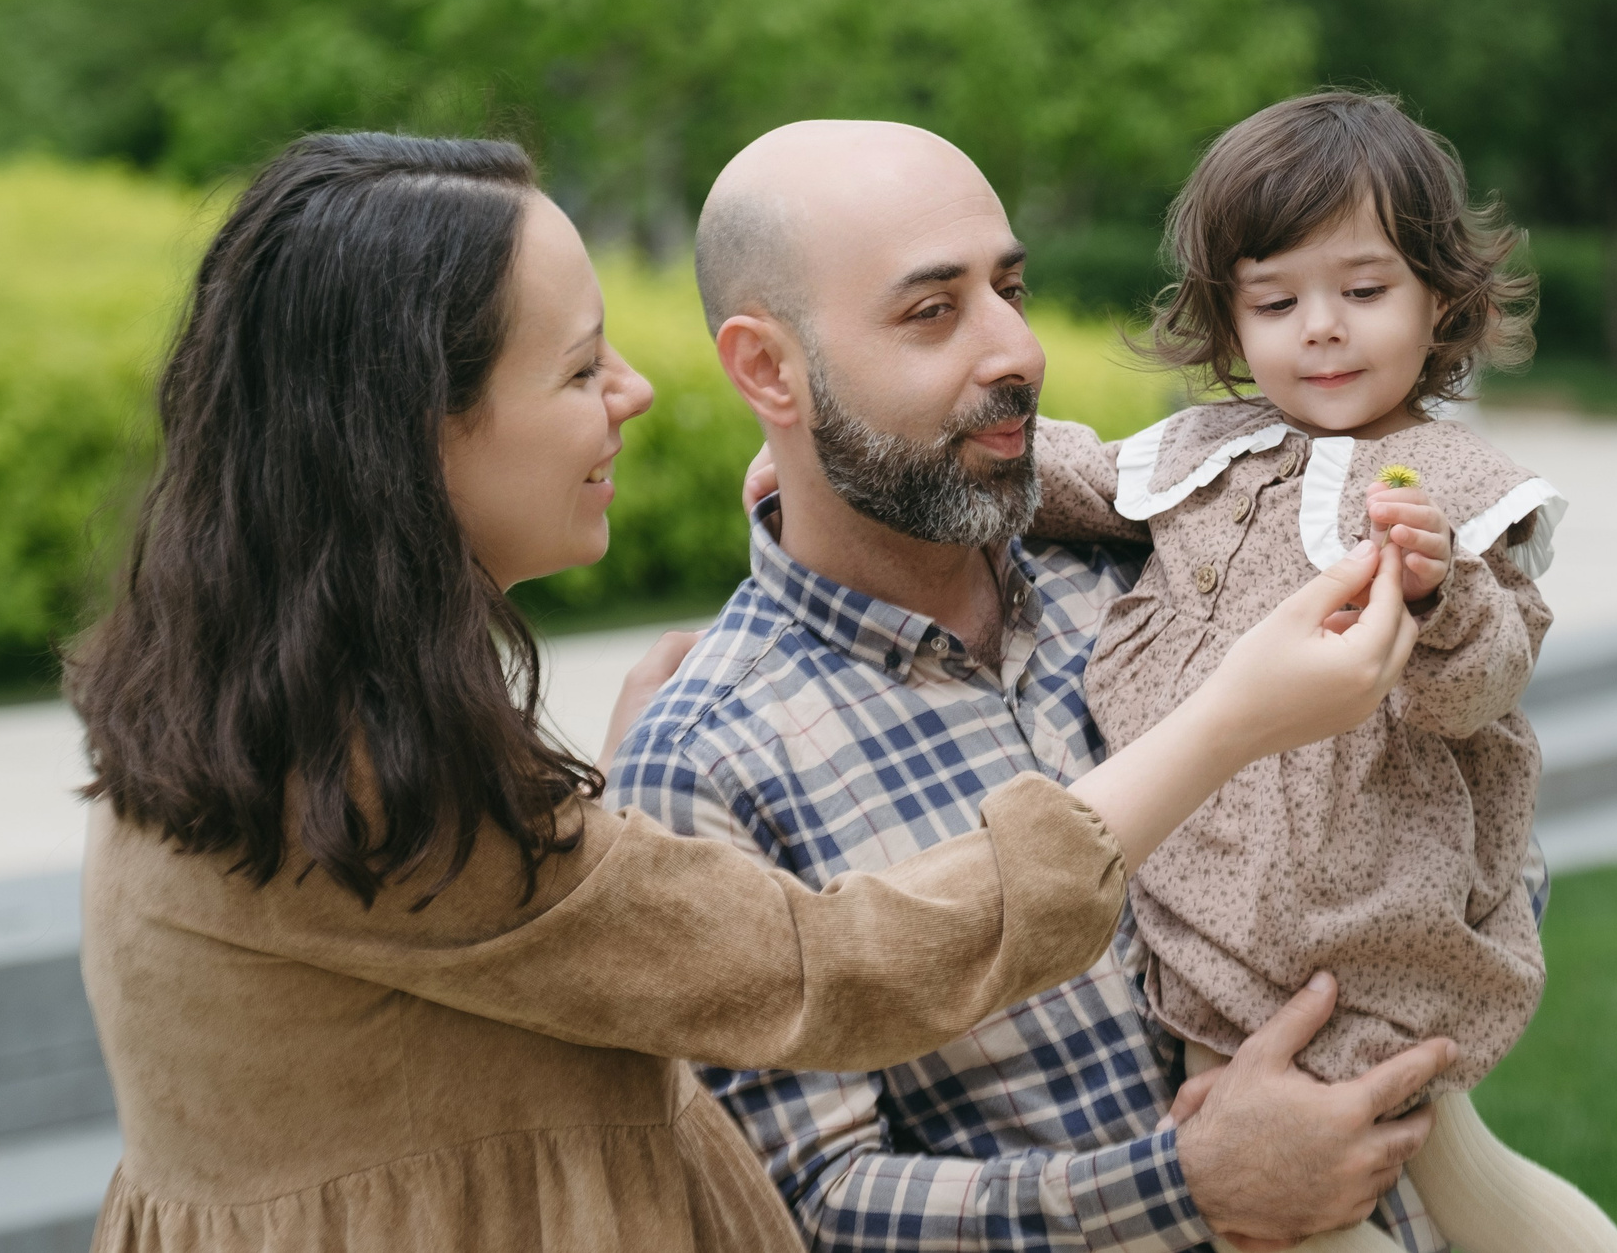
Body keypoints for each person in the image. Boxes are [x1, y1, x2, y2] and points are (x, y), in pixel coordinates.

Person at [68, 132, 1424, 1253]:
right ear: (407, 434)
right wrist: (1232, 722)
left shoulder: (322, 735)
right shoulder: (392, 784)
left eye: (1011, 284)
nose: (635, 391)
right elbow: (838, 971)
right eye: (578, 364)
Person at [611, 121, 1464, 1253]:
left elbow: (1453, 841)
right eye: (932, 310)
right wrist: (1186, 1183)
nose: (1013, 346)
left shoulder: (1156, 571)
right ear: (769, 368)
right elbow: (797, 1204)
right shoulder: (705, 759)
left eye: (1009, 286)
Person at [1026, 92, 1617, 1253]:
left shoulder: (1447, 477)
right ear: (1227, 316)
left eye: (1363, 291)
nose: (1321, 328)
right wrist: (940, 456)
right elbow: (1082, 475)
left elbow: (1485, 683)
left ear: (1438, 298)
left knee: (1302, 1192)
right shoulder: (1206, 446)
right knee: (1428, 1160)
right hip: (1216, 884)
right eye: (1275, 299)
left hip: (1366, 896)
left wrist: (1439, 588)